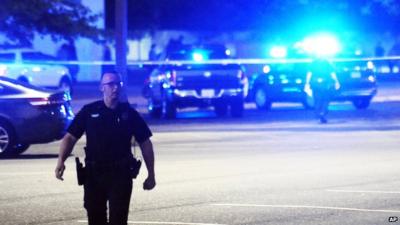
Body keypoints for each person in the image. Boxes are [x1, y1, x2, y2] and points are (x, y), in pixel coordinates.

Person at [55, 71, 156, 225]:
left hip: (120, 174)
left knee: (118, 220)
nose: (114, 88)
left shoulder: (128, 113)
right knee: (95, 220)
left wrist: (151, 174)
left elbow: (145, 142)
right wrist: (60, 161)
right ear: (102, 87)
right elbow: (70, 137)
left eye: (117, 84)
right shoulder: (89, 111)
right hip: (94, 175)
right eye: (110, 84)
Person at [304, 59, 340, 124]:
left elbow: (332, 73)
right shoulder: (316, 63)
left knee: (322, 99)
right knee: (322, 99)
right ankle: (321, 113)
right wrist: (307, 83)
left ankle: (321, 113)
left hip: (323, 84)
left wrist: (336, 81)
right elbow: (309, 73)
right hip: (320, 84)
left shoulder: (323, 63)